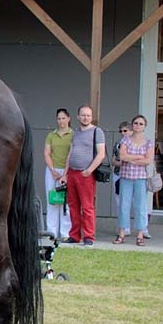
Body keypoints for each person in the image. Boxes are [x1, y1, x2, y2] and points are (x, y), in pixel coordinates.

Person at [64, 104, 106, 246]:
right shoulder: (75, 132)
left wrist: (89, 170)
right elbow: (70, 153)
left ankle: (88, 236)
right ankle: (74, 235)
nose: (85, 117)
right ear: (78, 117)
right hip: (72, 173)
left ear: (91, 117)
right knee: (73, 206)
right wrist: (65, 173)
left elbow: (101, 154)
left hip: (86, 174)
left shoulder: (97, 132)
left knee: (87, 207)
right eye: (83, 115)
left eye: (88, 115)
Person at [115, 115, 153, 246]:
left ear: (144, 126)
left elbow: (148, 160)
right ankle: (121, 234)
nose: (138, 125)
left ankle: (140, 235)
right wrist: (138, 157)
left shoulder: (148, 142)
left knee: (140, 207)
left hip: (140, 179)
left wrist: (130, 158)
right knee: (123, 206)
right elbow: (122, 156)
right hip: (125, 177)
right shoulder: (125, 140)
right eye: (136, 123)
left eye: (141, 124)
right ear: (132, 125)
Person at [42, 108, 73, 240]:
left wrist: (65, 173)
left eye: (63, 118)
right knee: (53, 200)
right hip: (52, 171)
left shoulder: (73, 134)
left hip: (68, 170)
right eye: (59, 118)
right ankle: (52, 232)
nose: (61, 121)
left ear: (69, 119)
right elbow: (47, 153)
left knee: (66, 202)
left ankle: (65, 233)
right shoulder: (51, 135)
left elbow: (71, 155)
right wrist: (52, 170)